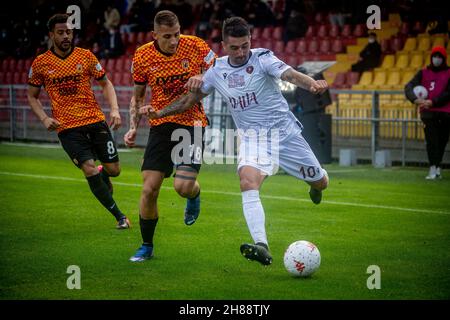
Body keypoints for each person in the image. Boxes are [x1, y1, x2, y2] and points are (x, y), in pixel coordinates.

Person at [140, 17, 329, 266]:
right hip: (254, 140)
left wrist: (312, 84)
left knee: (321, 181)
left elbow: (290, 74)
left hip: (285, 135)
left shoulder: (263, 58)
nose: (241, 52)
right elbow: (190, 100)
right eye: (234, 47)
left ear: (250, 41)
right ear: (223, 44)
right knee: (247, 181)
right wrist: (161, 113)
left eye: (245, 46)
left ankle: (315, 185)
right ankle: (262, 245)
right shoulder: (217, 70)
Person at [123, 10, 216, 262]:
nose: (174, 41)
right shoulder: (142, 56)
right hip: (161, 125)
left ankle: (194, 195)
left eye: (176, 34)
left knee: (182, 187)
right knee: (149, 189)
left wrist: (204, 75)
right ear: (154, 35)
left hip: (192, 123)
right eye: (167, 36)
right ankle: (146, 245)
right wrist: (133, 126)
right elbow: (139, 96)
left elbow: (220, 69)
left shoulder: (196, 45)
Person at [27, 13, 130, 229]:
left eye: (69, 32)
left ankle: (104, 173)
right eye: (61, 32)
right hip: (67, 128)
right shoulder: (41, 63)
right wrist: (45, 117)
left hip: (95, 121)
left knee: (114, 170)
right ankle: (120, 217)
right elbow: (32, 95)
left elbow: (106, 84)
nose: (66, 36)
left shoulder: (86, 56)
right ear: (51, 34)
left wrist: (114, 110)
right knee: (89, 169)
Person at [405, 46, 450, 179]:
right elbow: (408, 86)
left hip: (445, 112)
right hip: (427, 113)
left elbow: (448, 93)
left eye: (440, 57)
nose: (437, 59)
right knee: (431, 141)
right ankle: (432, 168)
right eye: (435, 56)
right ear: (431, 57)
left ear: (444, 58)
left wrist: (433, 101)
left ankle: (437, 167)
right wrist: (415, 100)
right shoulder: (422, 72)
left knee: (442, 141)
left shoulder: (449, 73)